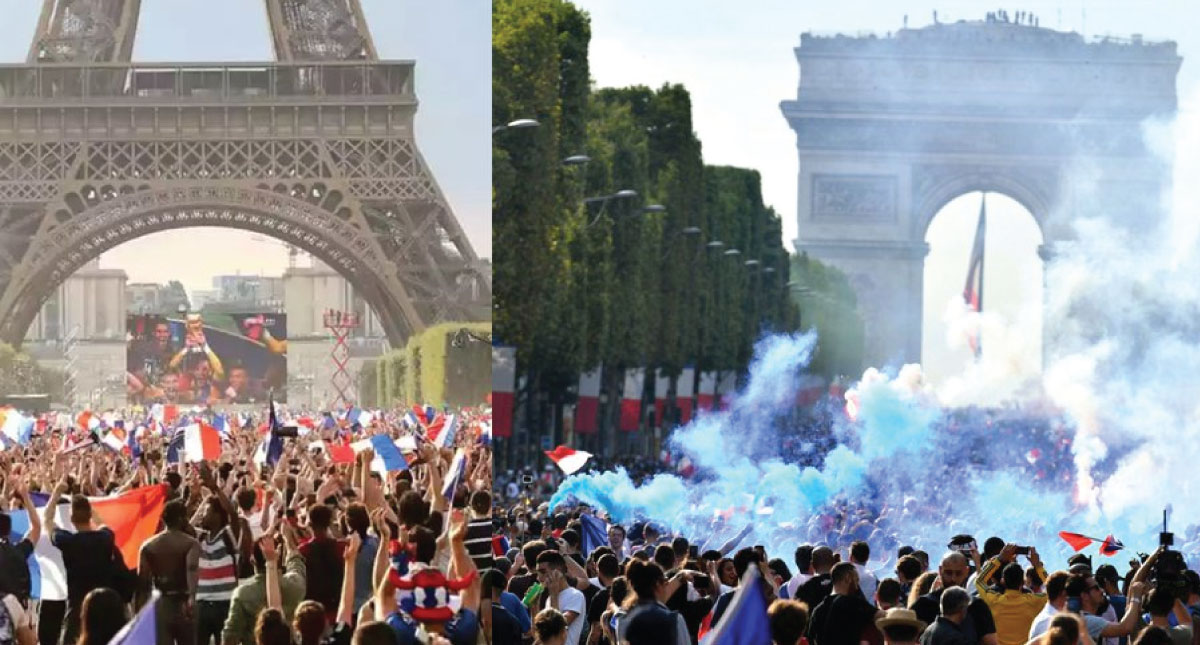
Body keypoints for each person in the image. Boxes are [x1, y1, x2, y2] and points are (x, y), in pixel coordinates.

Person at [44, 480, 129, 645]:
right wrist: (89, 504)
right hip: (106, 608)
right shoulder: (106, 537)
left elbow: (47, 520)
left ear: (71, 518)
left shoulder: (67, 541)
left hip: (77, 609)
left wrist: (56, 493)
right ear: (90, 515)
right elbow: (101, 523)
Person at [137, 499, 201, 645]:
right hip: (184, 603)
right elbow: (191, 569)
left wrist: (140, 614)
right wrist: (192, 597)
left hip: (160, 605)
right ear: (180, 519)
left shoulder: (148, 546)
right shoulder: (190, 543)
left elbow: (142, 583)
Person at [910, 552, 997, 645]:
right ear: (940, 570)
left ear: (966, 571)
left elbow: (990, 641)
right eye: (948, 573)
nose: (953, 578)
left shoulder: (977, 606)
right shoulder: (923, 605)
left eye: (958, 573)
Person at [972, 544, 1048, 645]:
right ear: (1023, 583)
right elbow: (1054, 588)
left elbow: (979, 581)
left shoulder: (993, 600)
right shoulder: (1034, 601)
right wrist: (1037, 565)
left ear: (1003, 581)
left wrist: (999, 559)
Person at [807, 561, 885, 645]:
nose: (857, 586)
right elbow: (881, 615)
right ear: (848, 578)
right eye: (856, 580)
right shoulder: (853, 603)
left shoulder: (817, 611)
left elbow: (811, 639)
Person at [619, 559, 690, 645]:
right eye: (665, 581)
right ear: (657, 584)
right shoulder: (675, 620)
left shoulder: (624, 618)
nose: (667, 585)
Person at [536, 550, 587, 645]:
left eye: (543, 572)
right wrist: (534, 606)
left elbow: (556, 627)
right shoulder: (549, 598)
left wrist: (554, 596)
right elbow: (542, 634)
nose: (539, 578)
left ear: (557, 571)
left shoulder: (576, 595)